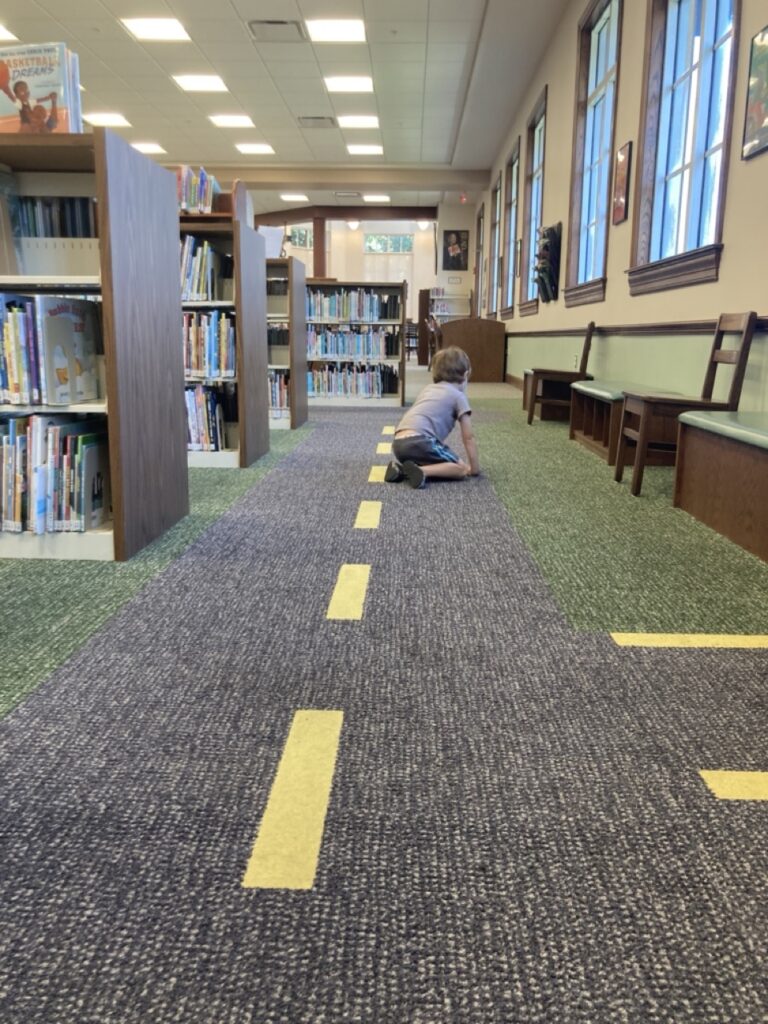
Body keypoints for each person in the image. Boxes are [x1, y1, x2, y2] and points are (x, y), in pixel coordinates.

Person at [385, 345, 480, 489]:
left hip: (398, 445)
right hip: (421, 441)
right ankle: (421, 471)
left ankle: (402, 470)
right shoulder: (459, 397)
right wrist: (474, 469)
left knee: (433, 458)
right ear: (465, 375)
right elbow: (468, 437)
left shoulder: (427, 389)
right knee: (460, 469)